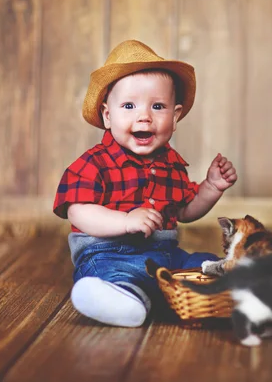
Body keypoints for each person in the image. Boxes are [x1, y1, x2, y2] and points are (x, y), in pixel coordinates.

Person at [52, 40, 237, 327]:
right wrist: (126, 221)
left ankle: (255, 275)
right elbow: (79, 212)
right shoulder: (94, 164)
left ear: (174, 117)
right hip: (109, 252)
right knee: (121, 275)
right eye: (129, 105)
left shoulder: (171, 164)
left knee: (202, 263)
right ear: (107, 115)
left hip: (165, 254)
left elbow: (185, 211)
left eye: (158, 106)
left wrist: (211, 188)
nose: (144, 116)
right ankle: (122, 300)